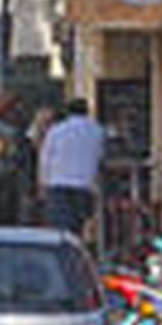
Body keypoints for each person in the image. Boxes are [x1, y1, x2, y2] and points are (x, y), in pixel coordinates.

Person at [37, 98, 105, 240]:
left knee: (59, 230)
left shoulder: (56, 131)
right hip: (84, 185)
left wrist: (43, 184)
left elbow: (45, 159)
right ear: (87, 111)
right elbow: (100, 155)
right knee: (79, 227)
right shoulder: (97, 130)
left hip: (58, 184)